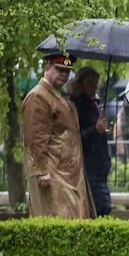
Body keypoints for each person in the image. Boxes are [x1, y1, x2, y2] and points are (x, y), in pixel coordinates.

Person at [22, 53, 93, 219]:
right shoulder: (38, 96)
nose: (64, 74)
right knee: (57, 224)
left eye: (67, 71)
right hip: (53, 175)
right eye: (60, 69)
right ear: (47, 68)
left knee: (72, 225)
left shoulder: (58, 96)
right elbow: (34, 139)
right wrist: (41, 171)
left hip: (67, 174)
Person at [68, 67, 112, 216]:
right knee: (100, 209)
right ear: (80, 84)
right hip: (88, 167)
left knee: (103, 209)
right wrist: (95, 130)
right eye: (89, 83)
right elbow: (74, 138)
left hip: (100, 167)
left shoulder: (94, 104)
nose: (94, 86)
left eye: (96, 83)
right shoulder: (75, 106)